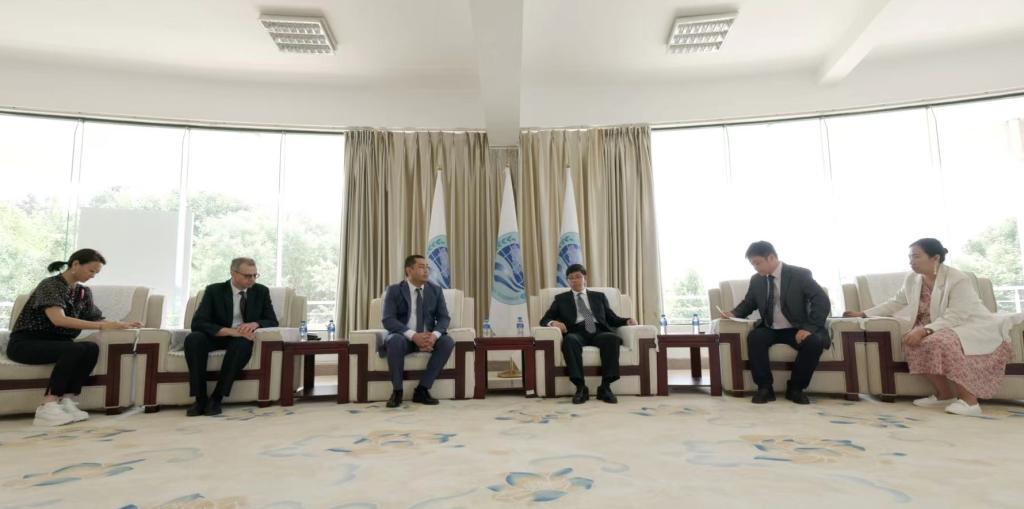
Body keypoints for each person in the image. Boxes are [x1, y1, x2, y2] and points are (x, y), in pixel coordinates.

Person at [844, 238, 1014, 416]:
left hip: (966, 323)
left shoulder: (957, 279)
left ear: (935, 258)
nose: (911, 261)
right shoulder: (912, 279)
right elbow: (896, 302)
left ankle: (970, 402)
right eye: (910, 257)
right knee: (912, 342)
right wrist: (864, 314)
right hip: (935, 325)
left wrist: (925, 330)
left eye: (916, 256)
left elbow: (957, 314)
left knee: (942, 342)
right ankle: (944, 395)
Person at [7, 249, 141, 426]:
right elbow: (58, 320)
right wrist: (103, 326)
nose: (93, 276)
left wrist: (121, 324)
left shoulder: (83, 292)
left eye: (96, 273)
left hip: (58, 344)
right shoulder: (50, 285)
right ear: (76, 264)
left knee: (91, 348)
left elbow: (96, 318)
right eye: (91, 270)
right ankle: (48, 406)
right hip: (26, 343)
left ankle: (67, 400)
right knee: (74, 348)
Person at [721, 241, 831, 405]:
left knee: (814, 342)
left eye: (757, 263)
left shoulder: (799, 274)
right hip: (770, 328)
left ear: (771, 257)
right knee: (755, 338)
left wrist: (809, 328)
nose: (755, 268)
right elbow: (749, 303)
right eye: (752, 264)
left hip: (797, 328)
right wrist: (733, 314)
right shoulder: (757, 280)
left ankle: (795, 388)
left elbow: (821, 300)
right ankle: (765, 388)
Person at [184, 257, 278, 416]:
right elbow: (198, 322)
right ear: (233, 273)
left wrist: (255, 323)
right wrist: (229, 331)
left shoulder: (261, 291)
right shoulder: (214, 290)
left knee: (241, 345)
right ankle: (200, 399)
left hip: (241, 339)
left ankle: (217, 398)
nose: (252, 279)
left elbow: (272, 320)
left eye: (255, 275)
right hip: (216, 335)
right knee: (193, 339)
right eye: (247, 276)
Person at [540, 264, 637, 404]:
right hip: (576, 331)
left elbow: (612, 318)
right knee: (569, 341)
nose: (575, 280)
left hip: (598, 330)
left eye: (578, 277)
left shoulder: (599, 297)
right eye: (571, 278)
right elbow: (544, 319)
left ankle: (605, 387)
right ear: (568, 281)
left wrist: (627, 320)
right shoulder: (561, 299)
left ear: (585, 278)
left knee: (612, 338)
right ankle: (580, 388)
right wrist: (553, 323)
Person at [380, 254, 456, 408]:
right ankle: (397, 391)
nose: (426, 271)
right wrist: (413, 335)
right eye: (421, 267)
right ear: (409, 270)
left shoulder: (435, 290)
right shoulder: (394, 290)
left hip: (428, 338)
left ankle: (422, 390)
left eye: (427, 267)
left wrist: (434, 336)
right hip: (404, 339)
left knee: (447, 342)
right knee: (394, 340)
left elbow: (444, 318)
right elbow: (388, 319)